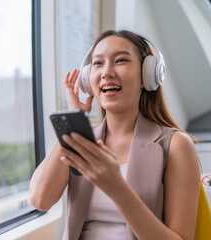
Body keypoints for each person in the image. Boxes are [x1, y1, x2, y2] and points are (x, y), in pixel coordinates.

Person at [30, 29, 201, 240]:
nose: (107, 72)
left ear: (147, 76)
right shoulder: (82, 140)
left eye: (120, 61)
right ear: (87, 80)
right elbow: (40, 199)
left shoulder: (176, 145)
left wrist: (117, 187)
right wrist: (74, 121)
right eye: (98, 63)